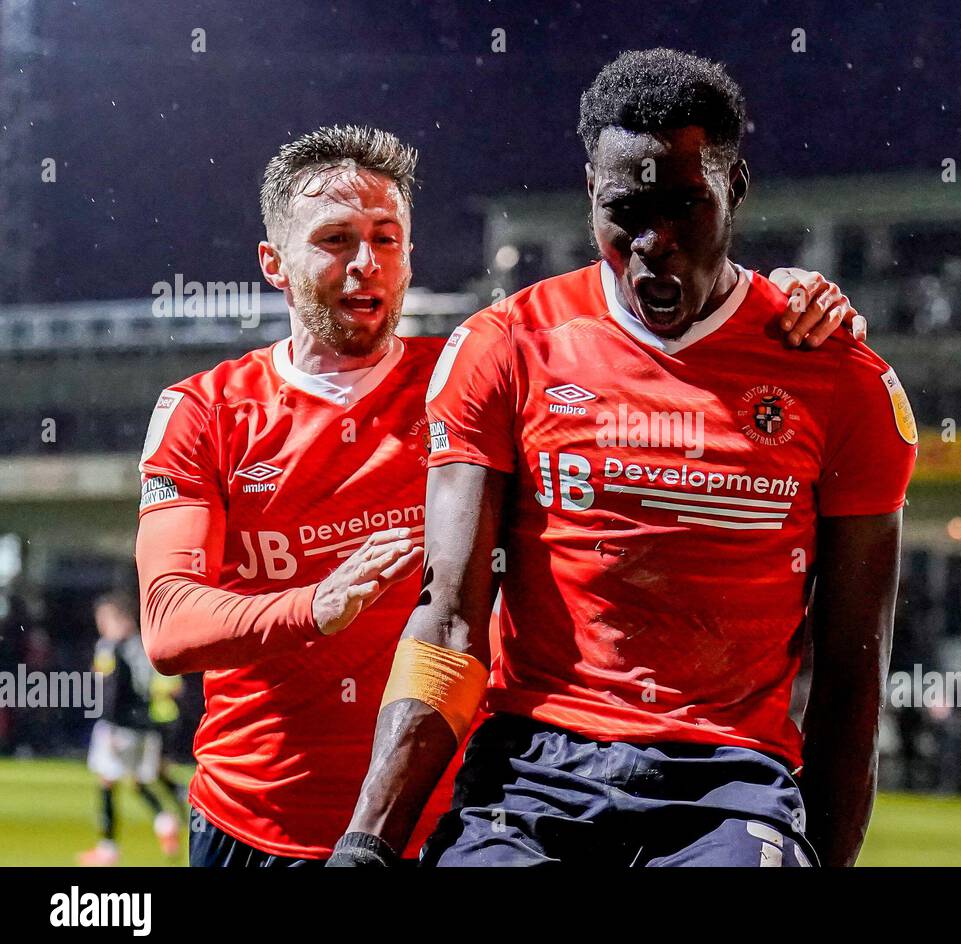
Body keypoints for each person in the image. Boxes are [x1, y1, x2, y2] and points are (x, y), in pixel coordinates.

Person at [136, 123, 864, 867]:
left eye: (387, 239)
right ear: (273, 263)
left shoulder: (475, 376)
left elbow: (629, 329)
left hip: (438, 828)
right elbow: (167, 626)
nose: (366, 264)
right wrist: (314, 605)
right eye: (335, 240)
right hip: (248, 823)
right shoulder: (206, 411)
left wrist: (790, 302)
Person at [329, 48, 918, 869]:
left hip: (729, 786)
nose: (655, 243)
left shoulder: (842, 382)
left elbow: (856, 671)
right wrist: (367, 844)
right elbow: (452, 620)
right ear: (588, 195)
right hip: (531, 773)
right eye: (626, 210)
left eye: (686, 205)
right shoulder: (505, 349)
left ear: (735, 190)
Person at [77, 591, 185, 865]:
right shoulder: (146, 646)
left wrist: (110, 725)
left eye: (104, 619)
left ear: (119, 619)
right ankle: (165, 821)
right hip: (146, 725)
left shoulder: (111, 647)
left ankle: (108, 848)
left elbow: (113, 690)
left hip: (119, 725)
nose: (101, 625)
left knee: (107, 781)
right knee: (140, 781)